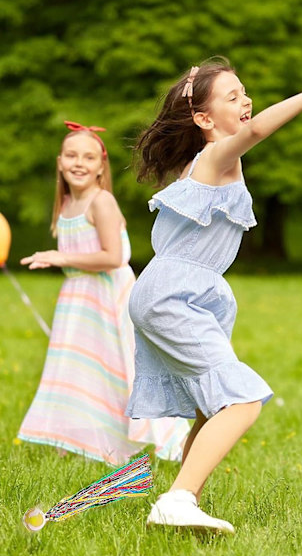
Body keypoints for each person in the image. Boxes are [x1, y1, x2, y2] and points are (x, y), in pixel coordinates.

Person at [127, 55, 302, 533]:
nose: (246, 102)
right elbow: (258, 130)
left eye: (245, 93)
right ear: (203, 119)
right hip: (173, 294)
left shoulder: (217, 161)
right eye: (232, 97)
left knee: (212, 402)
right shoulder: (217, 155)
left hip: (181, 293)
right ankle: (176, 499)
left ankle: (183, 498)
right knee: (241, 399)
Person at [18, 121, 190, 466]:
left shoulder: (102, 202)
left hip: (109, 297)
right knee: (79, 367)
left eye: (88, 157)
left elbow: (114, 257)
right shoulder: (66, 204)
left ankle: (163, 436)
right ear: (59, 162)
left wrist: (60, 257)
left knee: (122, 367)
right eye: (71, 155)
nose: (79, 163)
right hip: (79, 299)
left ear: (101, 166)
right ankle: (80, 437)